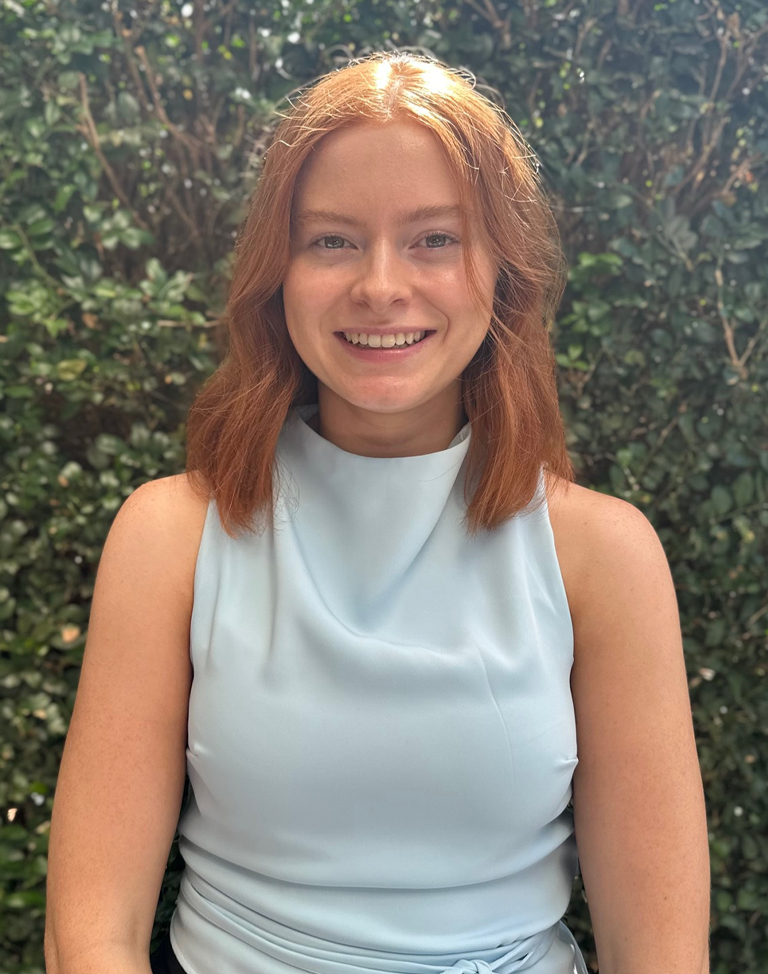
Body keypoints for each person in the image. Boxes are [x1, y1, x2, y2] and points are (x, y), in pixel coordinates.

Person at [45, 52, 711, 974]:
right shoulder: (170, 538)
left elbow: (661, 955)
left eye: (434, 238)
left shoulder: (604, 557)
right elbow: (90, 936)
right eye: (332, 241)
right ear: (276, 272)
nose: (382, 286)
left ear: (502, 270)